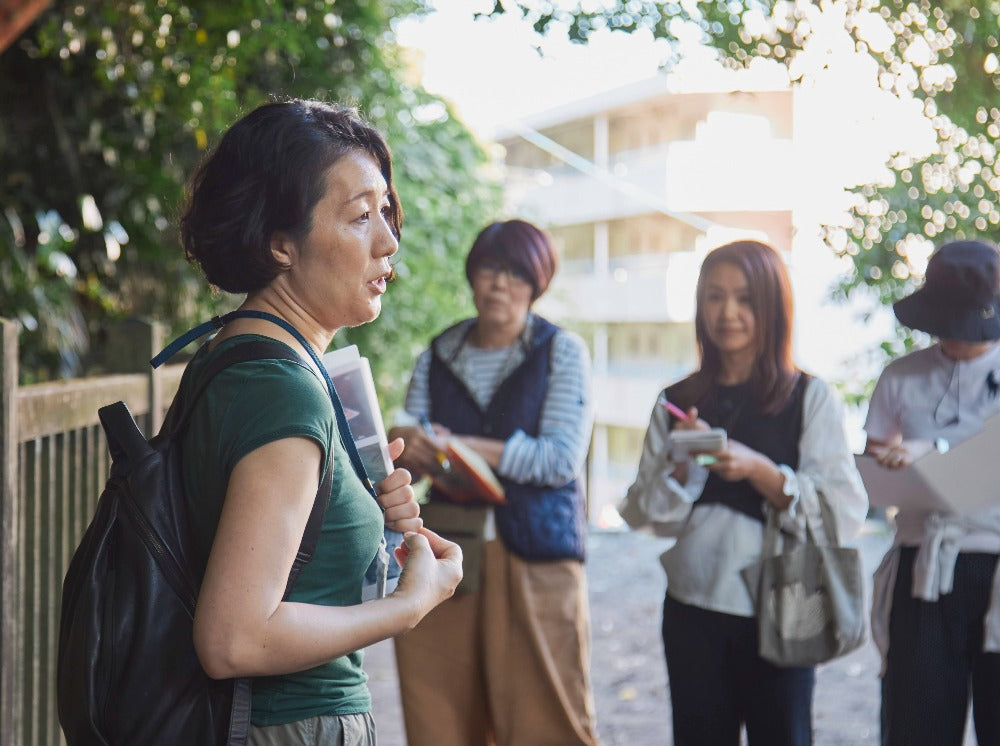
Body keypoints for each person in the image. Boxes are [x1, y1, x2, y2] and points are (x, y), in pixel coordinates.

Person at [176, 99, 463, 745]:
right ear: (279, 242)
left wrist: (369, 521)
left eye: (386, 212)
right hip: (289, 724)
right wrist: (408, 606)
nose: (389, 240)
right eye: (361, 217)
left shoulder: (238, 355)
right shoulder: (282, 389)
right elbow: (233, 638)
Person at [618, 239, 868, 746]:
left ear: (773, 306)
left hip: (787, 598)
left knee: (784, 735)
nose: (727, 312)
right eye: (714, 296)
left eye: (745, 298)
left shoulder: (809, 398)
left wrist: (760, 470)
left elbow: (844, 510)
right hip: (693, 604)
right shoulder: (677, 403)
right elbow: (646, 517)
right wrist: (684, 465)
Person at [387, 219, 598, 746]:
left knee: (547, 714)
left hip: (537, 554)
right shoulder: (441, 352)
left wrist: (458, 446)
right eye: (489, 269)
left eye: (515, 272)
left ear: (537, 281)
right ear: (472, 276)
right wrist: (410, 445)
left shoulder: (562, 351)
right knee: (441, 710)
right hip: (449, 554)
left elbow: (559, 459)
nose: (500, 283)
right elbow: (411, 439)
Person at [864, 239, 1000, 746]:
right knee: (916, 726)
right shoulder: (901, 376)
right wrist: (898, 460)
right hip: (924, 568)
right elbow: (877, 464)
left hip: (997, 560)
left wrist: (936, 447)